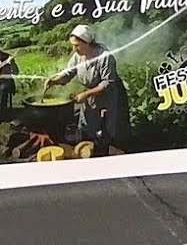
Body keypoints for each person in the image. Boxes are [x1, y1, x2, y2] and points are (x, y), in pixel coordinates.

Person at [44, 24, 129, 155]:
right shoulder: (77, 57)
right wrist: (54, 81)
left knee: (110, 129)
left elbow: (108, 83)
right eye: (73, 45)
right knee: (88, 127)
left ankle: (114, 155)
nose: (74, 48)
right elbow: (68, 74)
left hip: (110, 96)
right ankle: (90, 151)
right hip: (90, 96)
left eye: (77, 45)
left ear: (87, 42)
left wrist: (86, 94)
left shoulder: (105, 57)